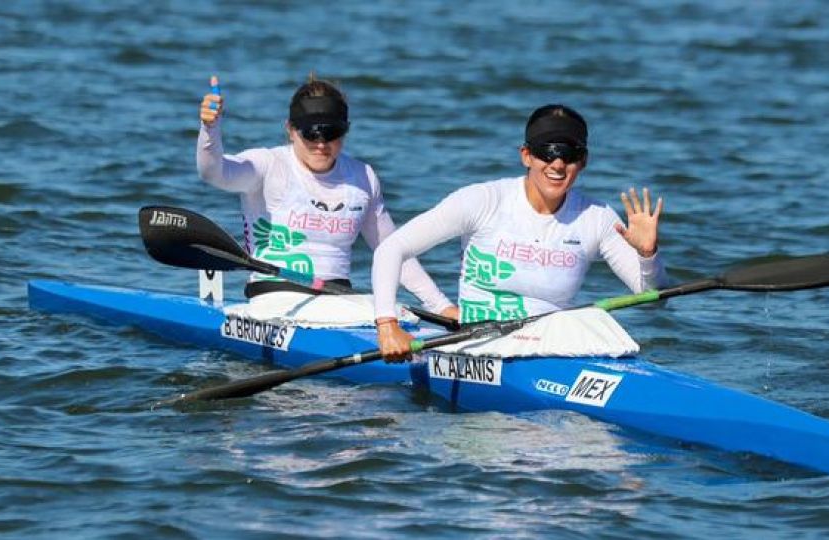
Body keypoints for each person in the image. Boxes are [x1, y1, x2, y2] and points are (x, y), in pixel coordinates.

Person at [372, 104, 669, 360]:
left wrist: (648, 256)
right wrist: (388, 325)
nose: (557, 164)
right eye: (547, 151)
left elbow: (654, 300)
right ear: (526, 155)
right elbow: (390, 249)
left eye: (569, 154)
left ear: (584, 161)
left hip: (551, 347)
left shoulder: (598, 218)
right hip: (479, 343)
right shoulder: (483, 201)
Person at [197, 74, 458, 318]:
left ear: (345, 130)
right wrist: (210, 129)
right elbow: (214, 172)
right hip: (274, 300)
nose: (321, 143)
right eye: (310, 132)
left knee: (398, 315)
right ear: (290, 129)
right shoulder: (269, 165)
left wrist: (442, 307)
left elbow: (392, 250)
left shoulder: (362, 177)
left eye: (331, 132)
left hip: (339, 301)